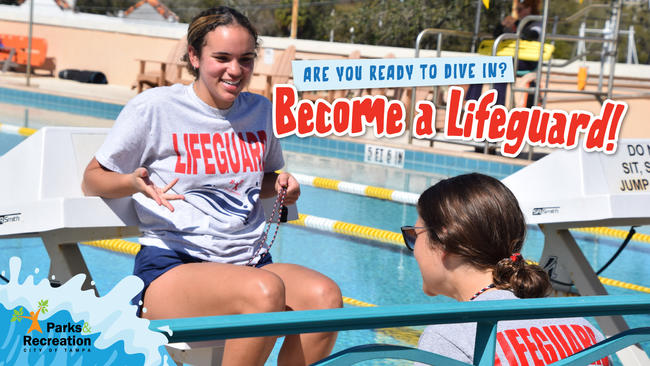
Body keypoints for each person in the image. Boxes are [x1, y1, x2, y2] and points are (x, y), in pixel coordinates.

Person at [81, 6, 342, 366]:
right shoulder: (156, 108)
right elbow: (92, 178)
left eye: (245, 59)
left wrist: (281, 183)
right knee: (264, 293)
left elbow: (260, 178)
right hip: (172, 268)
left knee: (325, 298)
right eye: (222, 58)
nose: (235, 70)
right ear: (194, 55)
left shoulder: (261, 112)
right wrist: (131, 182)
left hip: (249, 265)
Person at [402, 173, 610, 365]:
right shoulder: (585, 330)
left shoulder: (450, 338)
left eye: (414, 235)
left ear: (444, 242)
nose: (414, 248)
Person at [466, 0, 542, 106]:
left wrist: (516, 26)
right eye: (516, 10)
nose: (517, 12)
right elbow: (496, 35)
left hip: (526, 61)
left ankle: (497, 106)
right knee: (480, 67)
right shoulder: (516, 23)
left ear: (528, 8)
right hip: (510, 58)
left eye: (519, 9)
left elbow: (532, 35)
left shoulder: (536, 23)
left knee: (501, 68)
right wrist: (502, 25)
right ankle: (471, 103)